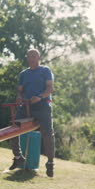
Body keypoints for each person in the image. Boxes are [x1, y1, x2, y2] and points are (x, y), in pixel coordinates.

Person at [8, 49, 56, 177]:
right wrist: (18, 96)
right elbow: (19, 90)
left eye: (34, 56)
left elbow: (50, 88)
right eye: (29, 57)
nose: (31, 59)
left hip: (42, 106)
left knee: (47, 133)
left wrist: (40, 96)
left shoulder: (45, 71)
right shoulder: (23, 74)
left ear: (39, 57)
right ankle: (18, 157)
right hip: (26, 106)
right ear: (27, 58)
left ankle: (50, 163)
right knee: (13, 127)